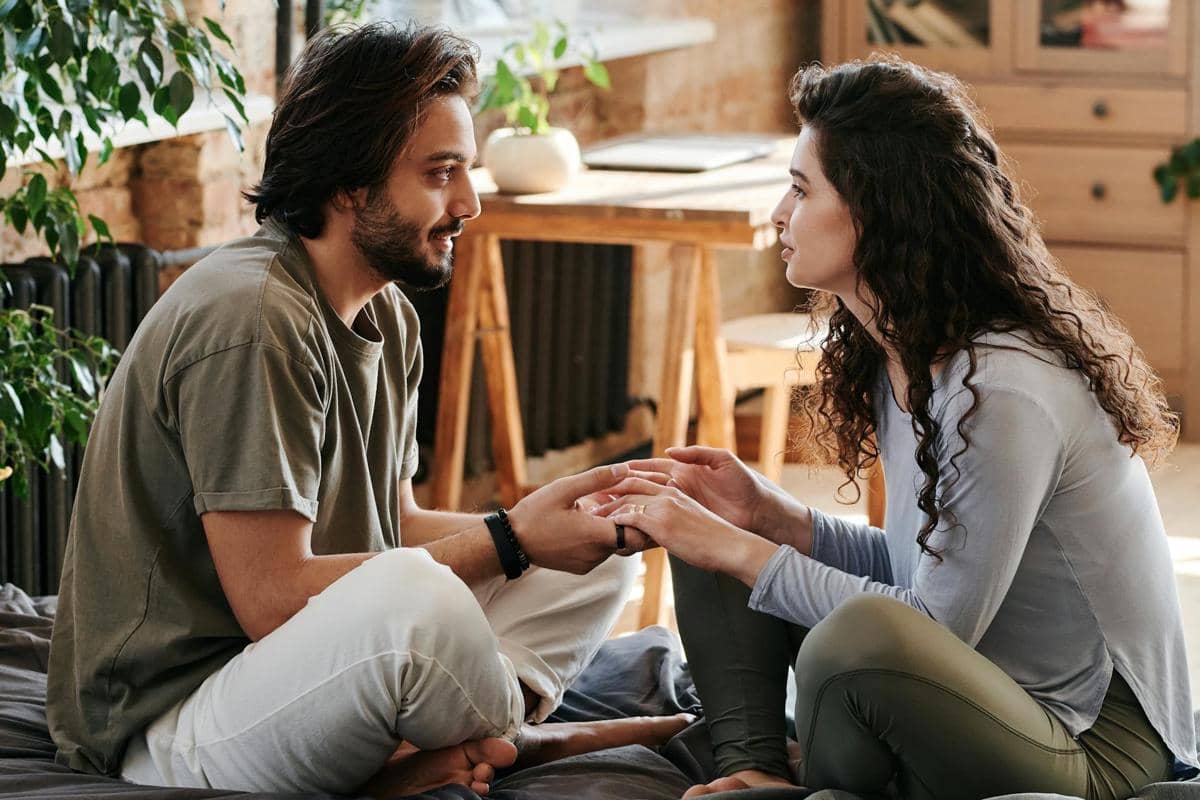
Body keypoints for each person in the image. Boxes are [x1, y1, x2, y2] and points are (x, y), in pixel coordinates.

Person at [46, 22, 688, 799]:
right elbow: (271, 598)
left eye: (466, 171)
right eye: (441, 173)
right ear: (350, 183)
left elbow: (393, 523)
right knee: (419, 594)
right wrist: (511, 539)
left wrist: (545, 525)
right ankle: (517, 739)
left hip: (296, 672)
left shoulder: (387, 316)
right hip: (170, 722)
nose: (469, 203)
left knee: (594, 553)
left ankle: (462, 744)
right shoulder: (254, 318)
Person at [589, 56, 1199, 800]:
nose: (780, 213)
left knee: (848, 631)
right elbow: (927, 574)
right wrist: (770, 519)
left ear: (878, 210)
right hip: (980, 693)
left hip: (1091, 744)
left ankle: (818, 781)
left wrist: (743, 550)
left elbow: (929, 627)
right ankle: (752, 769)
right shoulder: (904, 353)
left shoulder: (1000, 388)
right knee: (712, 519)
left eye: (801, 189)